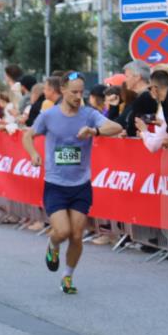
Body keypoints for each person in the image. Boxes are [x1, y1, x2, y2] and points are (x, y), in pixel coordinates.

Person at [23, 73, 123, 294]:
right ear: (63, 91)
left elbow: (116, 127)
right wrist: (33, 154)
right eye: (74, 92)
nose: (79, 96)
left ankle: (67, 277)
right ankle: (53, 244)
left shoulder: (89, 115)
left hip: (81, 184)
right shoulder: (49, 116)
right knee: (63, 231)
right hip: (55, 183)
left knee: (77, 235)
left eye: (81, 92)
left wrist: (94, 131)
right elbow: (27, 136)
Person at [110, 60, 157, 136]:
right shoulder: (141, 97)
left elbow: (151, 121)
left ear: (138, 77)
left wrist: (130, 132)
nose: (125, 80)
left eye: (127, 76)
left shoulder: (147, 97)